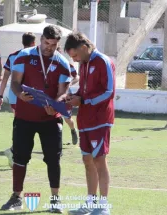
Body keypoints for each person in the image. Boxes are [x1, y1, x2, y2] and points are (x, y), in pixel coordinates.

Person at [1, 25, 71, 213]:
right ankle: (16, 197)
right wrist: (20, 94)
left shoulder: (62, 63)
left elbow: (63, 92)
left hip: (50, 119)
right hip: (24, 117)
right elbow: (15, 82)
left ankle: (55, 199)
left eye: (54, 44)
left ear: (58, 43)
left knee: (53, 159)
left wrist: (55, 104)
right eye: (47, 43)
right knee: (20, 157)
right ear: (41, 39)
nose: (49, 47)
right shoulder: (24, 55)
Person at [64, 32, 115, 215]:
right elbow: (85, 91)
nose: (75, 59)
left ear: (84, 48)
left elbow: (109, 91)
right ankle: (90, 203)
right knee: (87, 161)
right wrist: (75, 97)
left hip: (100, 120)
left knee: (99, 160)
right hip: (84, 120)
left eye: (75, 55)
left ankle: (103, 206)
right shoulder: (83, 64)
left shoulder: (103, 61)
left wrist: (83, 101)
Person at [0, 32, 36, 168]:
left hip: (14, 95)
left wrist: (0, 96)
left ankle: (18, 154)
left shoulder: (13, 56)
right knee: (25, 126)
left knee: (22, 125)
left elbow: (5, 77)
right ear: (33, 43)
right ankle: (14, 152)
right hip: (26, 96)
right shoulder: (34, 56)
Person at [57, 46, 79, 145]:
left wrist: (69, 84)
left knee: (67, 119)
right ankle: (56, 142)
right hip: (52, 95)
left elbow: (77, 77)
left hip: (65, 95)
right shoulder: (46, 65)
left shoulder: (66, 64)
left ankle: (73, 130)